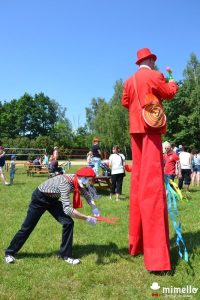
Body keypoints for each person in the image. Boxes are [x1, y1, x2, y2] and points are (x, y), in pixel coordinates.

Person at [121, 47, 179, 271]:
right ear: (150, 60)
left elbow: (126, 102)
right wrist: (173, 80)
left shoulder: (129, 81)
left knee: (138, 186)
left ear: (139, 62)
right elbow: (170, 93)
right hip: (151, 132)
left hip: (135, 132)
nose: (155, 63)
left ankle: (136, 244)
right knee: (153, 189)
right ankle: (157, 259)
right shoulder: (155, 75)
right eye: (154, 60)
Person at [4, 167, 99, 265]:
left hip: (52, 200)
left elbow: (87, 195)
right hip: (39, 198)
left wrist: (94, 208)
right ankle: (9, 253)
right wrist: (87, 218)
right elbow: (68, 210)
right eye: (90, 180)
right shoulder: (65, 184)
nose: (90, 183)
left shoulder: (77, 181)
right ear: (83, 178)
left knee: (68, 223)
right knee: (27, 227)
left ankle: (66, 256)